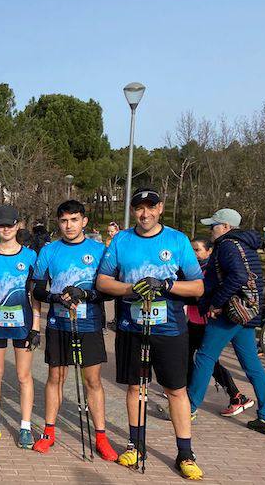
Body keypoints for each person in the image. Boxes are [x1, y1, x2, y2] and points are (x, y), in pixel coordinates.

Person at [96, 187, 205, 480]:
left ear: (160, 209)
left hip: (169, 330)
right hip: (132, 327)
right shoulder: (121, 240)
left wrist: (167, 286)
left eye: (150, 207)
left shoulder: (177, 240)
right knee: (135, 387)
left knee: (175, 390)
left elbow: (197, 287)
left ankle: (185, 453)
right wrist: (132, 288)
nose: (145, 213)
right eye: (139, 208)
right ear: (134, 211)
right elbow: (103, 282)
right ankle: (136, 445)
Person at [29, 200, 117, 460]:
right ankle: (48, 432)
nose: (69, 225)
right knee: (56, 378)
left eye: (74, 220)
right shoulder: (49, 251)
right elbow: (38, 289)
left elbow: (108, 291)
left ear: (84, 221)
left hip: (88, 323)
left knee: (92, 381)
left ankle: (101, 437)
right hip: (58, 323)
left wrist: (86, 294)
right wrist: (57, 298)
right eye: (64, 221)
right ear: (59, 223)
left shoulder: (99, 250)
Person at [188, 209, 265, 435]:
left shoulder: (227, 245)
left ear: (226, 227)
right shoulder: (245, 245)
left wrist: (216, 303)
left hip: (230, 313)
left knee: (205, 357)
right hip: (247, 313)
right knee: (253, 367)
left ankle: (188, 408)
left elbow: (237, 276)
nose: (211, 230)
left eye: (214, 226)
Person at [0, 205, 41, 449]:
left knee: (24, 376)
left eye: (10, 225)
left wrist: (36, 326)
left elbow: (34, 294)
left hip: (23, 324)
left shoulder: (29, 256)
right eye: (1, 225)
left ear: (18, 226)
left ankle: (25, 426)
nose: (5, 229)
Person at [179, 237, 252, 417]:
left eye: (198, 250)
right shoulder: (192, 268)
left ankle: (236, 396)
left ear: (209, 251)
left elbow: (203, 294)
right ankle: (186, 393)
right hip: (193, 322)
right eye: (192, 250)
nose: (194, 254)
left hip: (206, 323)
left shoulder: (209, 270)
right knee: (186, 357)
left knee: (209, 363)